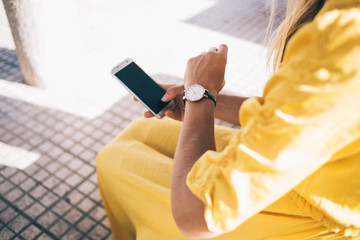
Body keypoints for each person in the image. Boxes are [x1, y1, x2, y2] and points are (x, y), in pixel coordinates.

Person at [96, 0, 360, 239]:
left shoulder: (342, 41)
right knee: (141, 129)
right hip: (322, 168)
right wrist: (195, 98)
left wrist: (201, 94)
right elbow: (289, 111)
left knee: (112, 159)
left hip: (325, 214)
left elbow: (195, 216)